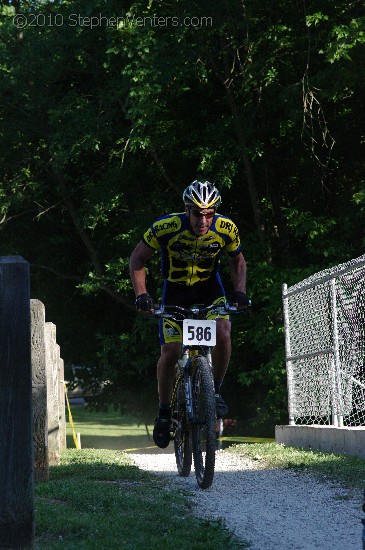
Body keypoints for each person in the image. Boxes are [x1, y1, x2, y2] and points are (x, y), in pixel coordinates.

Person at [129, 180, 250, 448]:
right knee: (170, 352)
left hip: (210, 291)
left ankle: (214, 391)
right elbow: (138, 259)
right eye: (197, 213)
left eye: (209, 214)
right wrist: (142, 295)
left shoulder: (226, 228)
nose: (203, 220)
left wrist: (240, 291)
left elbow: (237, 259)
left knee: (223, 331)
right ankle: (163, 412)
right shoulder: (166, 227)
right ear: (187, 210)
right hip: (175, 293)